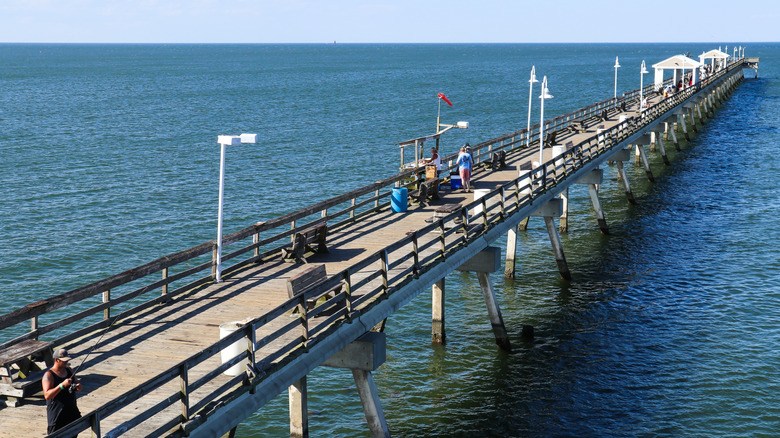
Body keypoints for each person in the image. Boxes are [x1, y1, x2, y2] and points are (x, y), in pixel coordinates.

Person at [42, 348, 82, 434]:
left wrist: (78, 387)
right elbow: (47, 395)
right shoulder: (48, 375)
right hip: (57, 415)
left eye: (67, 360)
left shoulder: (69, 370)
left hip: (72, 412)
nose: (66, 362)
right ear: (56, 360)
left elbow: (78, 384)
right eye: (64, 361)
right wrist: (62, 385)